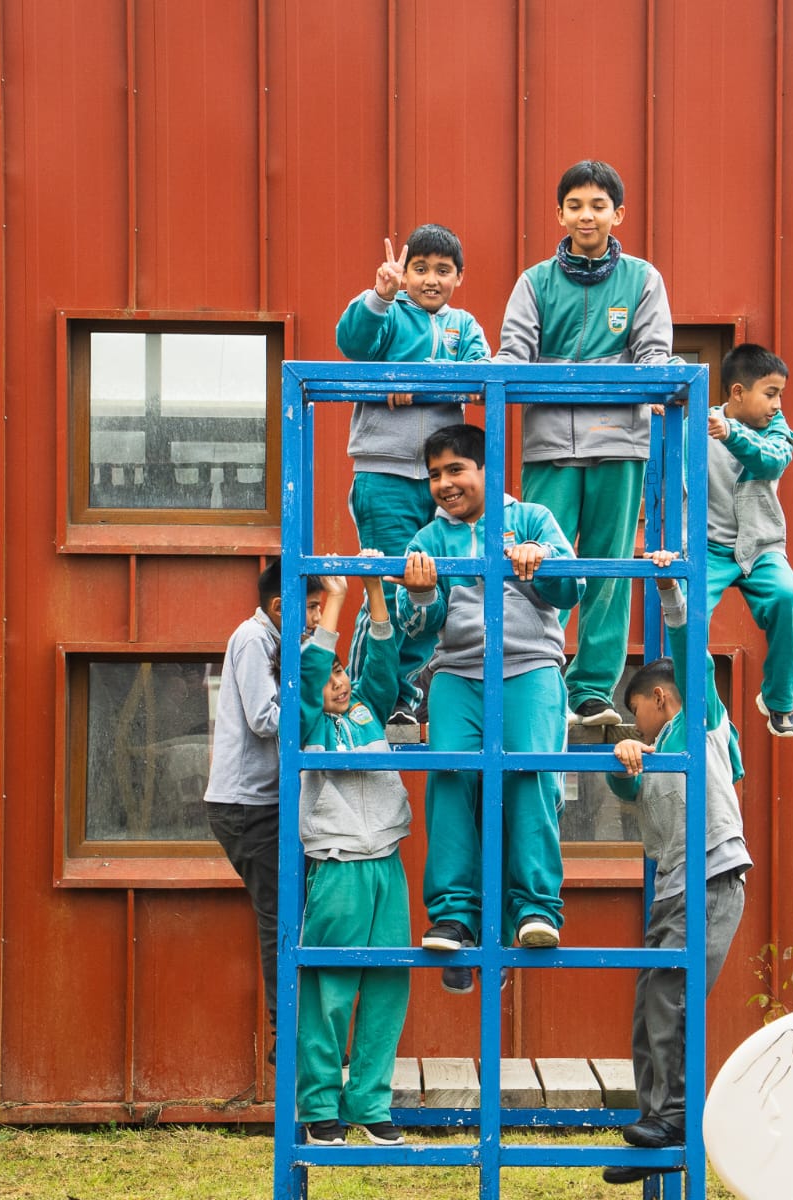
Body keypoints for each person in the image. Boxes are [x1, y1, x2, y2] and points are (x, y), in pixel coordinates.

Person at [396, 423, 584, 987]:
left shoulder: (529, 519)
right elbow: (419, 630)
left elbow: (572, 589)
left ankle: (532, 909)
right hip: (460, 670)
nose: (443, 484)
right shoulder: (428, 540)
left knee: (532, 775)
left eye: (456, 470)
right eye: (434, 475)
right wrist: (425, 591)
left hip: (528, 668)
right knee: (450, 776)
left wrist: (540, 562)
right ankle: (456, 916)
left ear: (486, 470)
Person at [493, 159, 675, 727]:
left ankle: (591, 687)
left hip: (618, 442)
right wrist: (495, 372)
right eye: (575, 205)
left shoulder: (643, 279)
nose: (587, 215)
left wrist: (654, 374)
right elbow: (513, 351)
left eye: (599, 205)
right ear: (559, 213)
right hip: (549, 442)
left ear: (618, 214)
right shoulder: (536, 281)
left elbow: (654, 352)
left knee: (610, 565)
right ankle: (533, 672)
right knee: (537, 561)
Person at [601, 551, 750, 1186]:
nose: (638, 721)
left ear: (662, 698)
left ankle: (678, 1114)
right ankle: (653, 1124)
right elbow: (628, 793)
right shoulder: (656, 750)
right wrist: (622, 752)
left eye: (638, 711)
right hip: (673, 889)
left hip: (711, 880)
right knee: (648, 1005)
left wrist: (669, 590)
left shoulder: (701, 726)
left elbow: (692, 652)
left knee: (673, 996)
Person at [336, 224, 491, 723]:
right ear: (404, 275)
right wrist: (379, 296)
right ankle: (370, 693)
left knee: (429, 585)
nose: (430, 279)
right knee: (388, 579)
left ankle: (403, 694)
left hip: (439, 478)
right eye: (418, 269)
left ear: (459, 277)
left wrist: (415, 386)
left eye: (442, 271)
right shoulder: (389, 316)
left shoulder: (463, 326)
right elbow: (353, 345)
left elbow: (479, 376)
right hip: (384, 471)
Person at [294, 556, 412, 1148]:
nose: (337, 680)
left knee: (390, 983)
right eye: (327, 673)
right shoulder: (307, 723)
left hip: (386, 860)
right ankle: (319, 1106)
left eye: (341, 671)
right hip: (337, 865)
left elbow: (385, 661)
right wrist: (333, 604)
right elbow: (311, 666)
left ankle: (369, 1101)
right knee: (330, 988)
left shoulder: (366, 710)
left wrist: (374, 591)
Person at [202, 561, 323, 1066]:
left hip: (263, 802)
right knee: (279, 917)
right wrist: (318, 706)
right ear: (281, 607)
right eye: (312, 608)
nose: (317, 618)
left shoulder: (279, 641)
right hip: (246, 806)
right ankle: (284, 1037)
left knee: (290, 911)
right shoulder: (255, 639)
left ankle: (292, 1029)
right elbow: (264, 716)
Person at [706, 343, 793, 737]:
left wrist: (731, 434)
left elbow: (769, 460)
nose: (778, 404)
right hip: (708, 548)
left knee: (787, 598)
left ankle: (779, 700)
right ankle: (702, 702)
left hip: (760, 547)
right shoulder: (697, 422)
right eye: (771, 393)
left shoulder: (778, 431)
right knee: (685, 615)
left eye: (780, 394)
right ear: (737, 393)